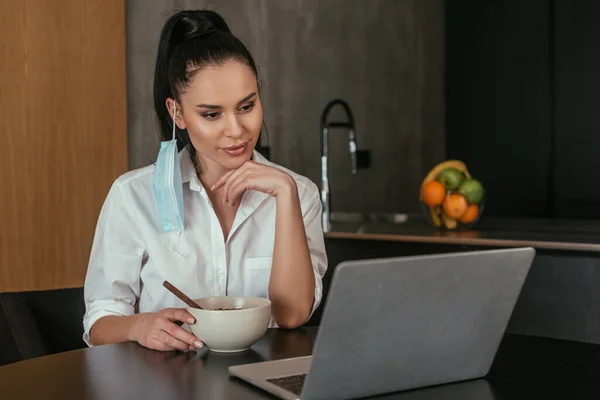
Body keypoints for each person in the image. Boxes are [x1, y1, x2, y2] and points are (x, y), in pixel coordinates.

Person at [82, 9, 327, 352]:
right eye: (211, 114)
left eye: (246, 106)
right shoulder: (133, 195)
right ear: (177, 113)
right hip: (163, 384)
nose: (236, 130)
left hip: (260, 380)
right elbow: (99, 324)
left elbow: (292, 315)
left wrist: (285, 194)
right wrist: (140, 325)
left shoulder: (299, 193)